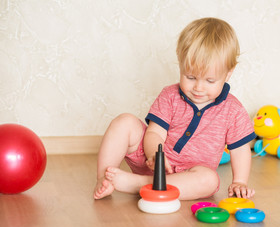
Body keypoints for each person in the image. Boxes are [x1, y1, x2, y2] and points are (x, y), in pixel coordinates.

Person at [93, 17, 256, 201]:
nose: (198, 88)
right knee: (124, 122)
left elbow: (240, 150)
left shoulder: (233, 110)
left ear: (228, 73)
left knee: (210, 180)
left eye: (210, 81)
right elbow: (155, 132)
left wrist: (240, 181)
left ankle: (139, 184)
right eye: (191, 77)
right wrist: (155, 156)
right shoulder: (170, 95)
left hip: (188, 175)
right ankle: (104, 179)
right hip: (153, 161)